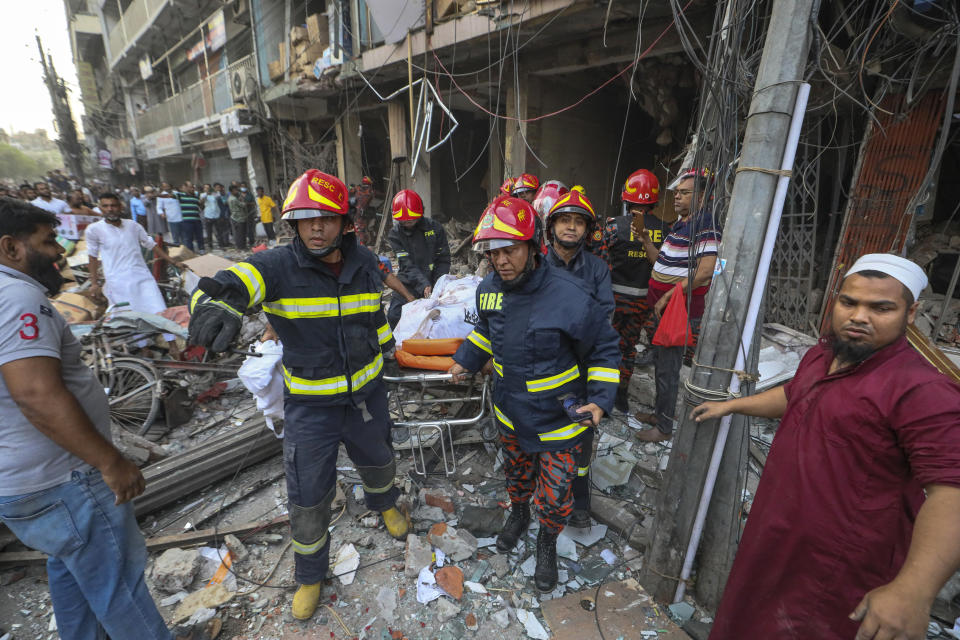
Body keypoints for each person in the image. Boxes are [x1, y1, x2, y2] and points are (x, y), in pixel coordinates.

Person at [694, 254, 960, 640]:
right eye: (849, 302)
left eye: (881, 308)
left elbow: (950, 492)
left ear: (911, 312)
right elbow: (796, 395)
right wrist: (732, 405)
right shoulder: (822, 356)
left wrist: (913, 591)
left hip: (840, 563)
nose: (859, 317)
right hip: (778, 534)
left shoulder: (921, 390)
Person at [187, 169, 408, 621]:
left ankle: (385, 505)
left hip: (367, 395)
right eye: (306, 219)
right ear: (293, 224)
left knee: (379, 459)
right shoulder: (276, 266)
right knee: (308, 494)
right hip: (311, 408)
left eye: (326, 218)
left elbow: (374, 314)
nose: (316, 227)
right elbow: (232, 281)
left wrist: (389, 349)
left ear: (343, 222)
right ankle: (310, 573)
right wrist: (214, 303)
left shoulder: (364, 261)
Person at [0, 197, 173, 639]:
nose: (59, 250)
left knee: (72, 568)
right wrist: (109, 461)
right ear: (11, 248)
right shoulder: (19, 298)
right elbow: (36, 393)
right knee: (121, 586)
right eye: (47, 241)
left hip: (24, 484)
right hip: (64, 480)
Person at [448, 197, 620, 593]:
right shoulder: (489, 286)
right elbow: (487, 332)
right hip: (510, 411)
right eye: (494, 252)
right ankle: (519, 514)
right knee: (517, 475)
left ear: (533, 245)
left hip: (559, 419)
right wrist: (466, 360)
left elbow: (605, 348)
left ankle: (546, 540)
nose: (501, 260)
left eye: (510, 250)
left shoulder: (570, 295)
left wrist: (601, 399)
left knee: (557, 491)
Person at [542, 186, 615, 529]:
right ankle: (545, 497)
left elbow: (603, 321)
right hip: (543, 365)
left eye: (578, 222)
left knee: (582, 434)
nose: (571, 227)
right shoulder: (536, 265)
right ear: (552, 226)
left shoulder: (597, 270)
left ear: (588, 230)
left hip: (582, 366)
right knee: (543, 430)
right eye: (564, 221)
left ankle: (580, 492)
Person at [635, 169, 721, 443]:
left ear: (702, 197)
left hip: (678, 311)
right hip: (667, 309)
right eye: (676, 192)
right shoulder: (681, 224)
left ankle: (664, 427)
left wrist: (670, 294)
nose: (677, 197)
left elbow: (706, 271)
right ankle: (662, 414)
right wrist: (646, 240)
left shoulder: (706, 224)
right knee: (662, 365)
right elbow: (660, 261)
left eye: (684, 193)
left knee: (668, 370)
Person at [592, 169, 670, 415]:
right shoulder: (665, 231)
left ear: (627, 198)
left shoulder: (614, 226)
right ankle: (621, 397)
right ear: (654, 201)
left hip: (613, 301)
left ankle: (601, 397)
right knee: (628, 348)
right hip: (642, 303)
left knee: (605, 347)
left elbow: (598, 258)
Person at [85, 193, 184, 354]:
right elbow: (92, 257)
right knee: (131, 316)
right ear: (100, 208)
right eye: (106, 206)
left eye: (113, 205)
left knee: (159, 309)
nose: (110, 209)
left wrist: (173, 261)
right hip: (118, 281)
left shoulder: (133, 225)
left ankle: (173, 346)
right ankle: (144, 348)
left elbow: (151, 245)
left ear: (120, 206)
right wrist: (94, 283)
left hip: (142, 277)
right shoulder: (94, 230)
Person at [386, 189, 451, 327]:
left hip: (435, 279)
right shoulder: (395, 234)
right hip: (408, 281)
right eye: (404, 222)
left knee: (441, 318)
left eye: (411, 220)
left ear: (420, 213)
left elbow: (443, 259)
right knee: (394, 316)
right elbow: (406, 264)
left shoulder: (435, 228)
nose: (408, 224)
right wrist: (423, 284)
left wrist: (439, 285)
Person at [176, 183, 203, 253]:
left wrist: (202, 203)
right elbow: (169, 196)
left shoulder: (196, 197)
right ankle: (191, 252)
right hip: (187, 221)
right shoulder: (181, 195)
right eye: (191, 188)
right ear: (186, 188)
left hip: (197, 220)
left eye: (193, 188)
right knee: (189, 238)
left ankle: (201, 249)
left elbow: (201, 208)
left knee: (199, 236)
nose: (193, 189)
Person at [200, 184, 226, 249]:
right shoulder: (203, 194)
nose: (207, 189)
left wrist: (216, 191)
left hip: (216, 215)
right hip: (208, 215)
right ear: (204, 189)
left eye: (208, 188)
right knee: (209, 231)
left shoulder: (214, 194)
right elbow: (201, 201)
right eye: (206, 188)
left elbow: (220, 195)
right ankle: (210, 245)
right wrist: (206, 194)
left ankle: (221, 244)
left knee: (219, 231)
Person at [227, 184, 247, 250]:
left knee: (238, 234)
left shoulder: (230, 198)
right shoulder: (234, 199)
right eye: (235, 190)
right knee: (240, 234)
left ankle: (240, 246)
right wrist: (242, 199)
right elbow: (243, 205)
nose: (236, 191)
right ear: (232, 191)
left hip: (235, 218)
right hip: (238, 218)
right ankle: (241, 247)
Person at [239, 182, 258, 246]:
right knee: (242, 229)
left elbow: (254, 203)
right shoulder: (238, 195)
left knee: (250, 228)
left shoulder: (250, 195)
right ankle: (243, 242)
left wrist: (247, 204)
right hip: (241, 215)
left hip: (249, 213)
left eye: (244, 186)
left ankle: (251, 241)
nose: (243, 188)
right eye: (242, 186)